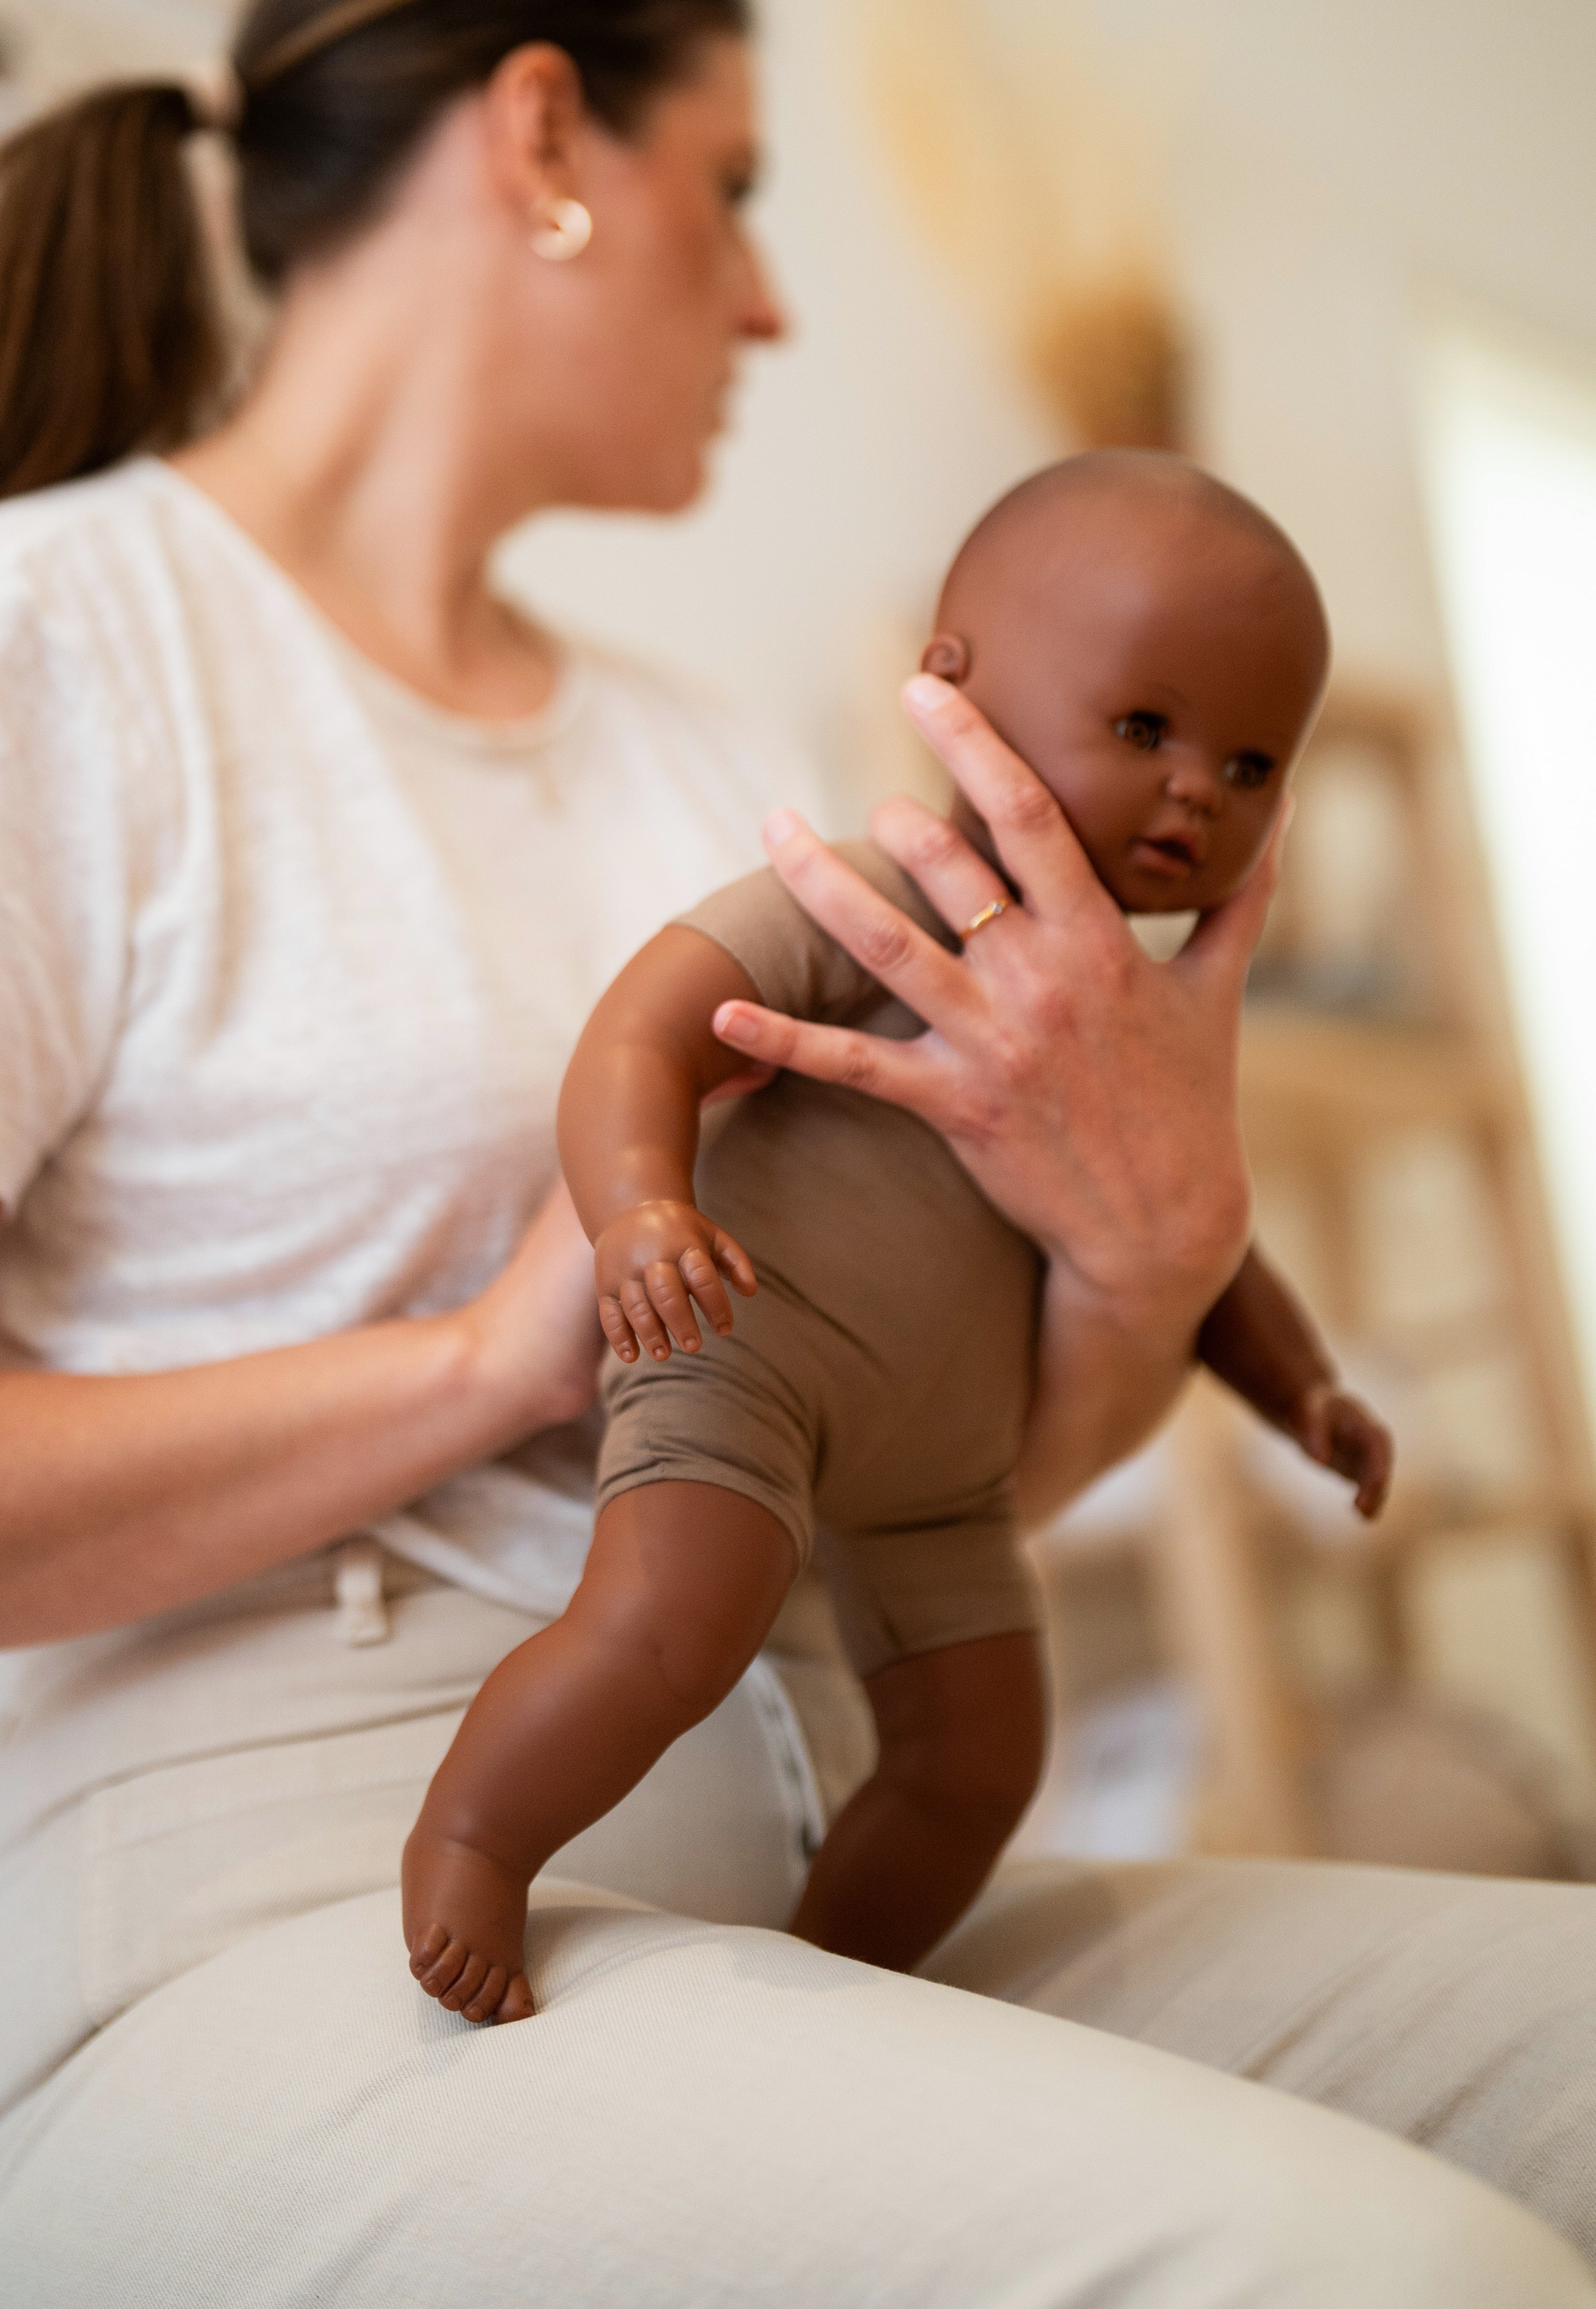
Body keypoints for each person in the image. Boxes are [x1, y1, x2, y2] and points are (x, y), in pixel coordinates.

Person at [0, 0, 1596, 2308]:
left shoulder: (697, 748)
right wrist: (474, 1365)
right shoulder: (48, 628)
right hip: (311, 1919)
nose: (769, 297)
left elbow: (935, 1469)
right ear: (544, 139)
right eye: (730, 187)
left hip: (833, 1879)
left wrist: (1150, 1254)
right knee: (1380, 2278)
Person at [403, 454, 1393, 2023]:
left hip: (945, 1483)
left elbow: (1206, 1254)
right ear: (957, 686)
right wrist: (639, 1206)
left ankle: (842, 1985)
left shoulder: (1141, 1039)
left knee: (983, 1760)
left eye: (1253, 762)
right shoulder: (868, 908)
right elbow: (640, 1034)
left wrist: (1304, 1389)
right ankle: (474, 1839)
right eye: (1147, 728)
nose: (1199, 788)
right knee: (669, 1627)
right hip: (743, 1351)